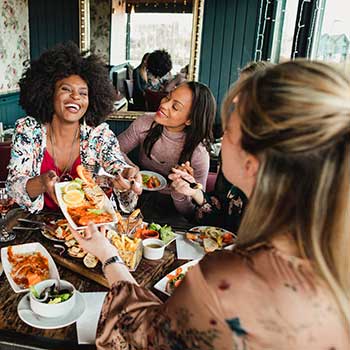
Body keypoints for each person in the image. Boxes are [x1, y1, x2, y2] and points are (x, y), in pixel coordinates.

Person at [72, 60, 350, 349]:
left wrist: (109, 256)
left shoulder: (224, 282)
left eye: (229, 129)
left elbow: (139, 337)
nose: (219, 137)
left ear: (251, 164)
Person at [7, 41, 141, 213]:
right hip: (40, 223)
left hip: (92, 225)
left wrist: (126, 178)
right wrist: (42, 183)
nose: (76, 97)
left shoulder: (99, 135)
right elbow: (14, 186)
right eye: (66, 89)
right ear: (49, 93)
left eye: (83, 93)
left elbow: (116, 165)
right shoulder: (28, 130)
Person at [169, 61, 272, 233]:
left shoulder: (280, 166)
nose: (235, 98)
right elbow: (220, 212)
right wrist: (195, 191)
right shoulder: (231, 148)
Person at [117, 81, 216, 215]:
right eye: (168, 97)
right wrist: (130, 168)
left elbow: (194, 211)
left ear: (190, 120)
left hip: (173, 213)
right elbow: (114, 150)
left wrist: (179, 191)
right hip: (136, 195)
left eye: (175, 106)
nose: (163, 104)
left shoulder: (199, 153)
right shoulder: (145, 123)